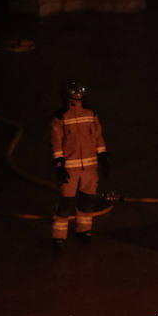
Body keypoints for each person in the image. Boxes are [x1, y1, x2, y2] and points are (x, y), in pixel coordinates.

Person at [50, 78, 108, 249]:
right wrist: (59, 165)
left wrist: (103, 157)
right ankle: (59, 236)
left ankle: (84, 230)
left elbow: (98, 137)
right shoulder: (60, 117)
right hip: (70, 169)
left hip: (90, 168)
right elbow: (56, 142)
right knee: (66, 203)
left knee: (87, 202)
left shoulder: (91, 114)